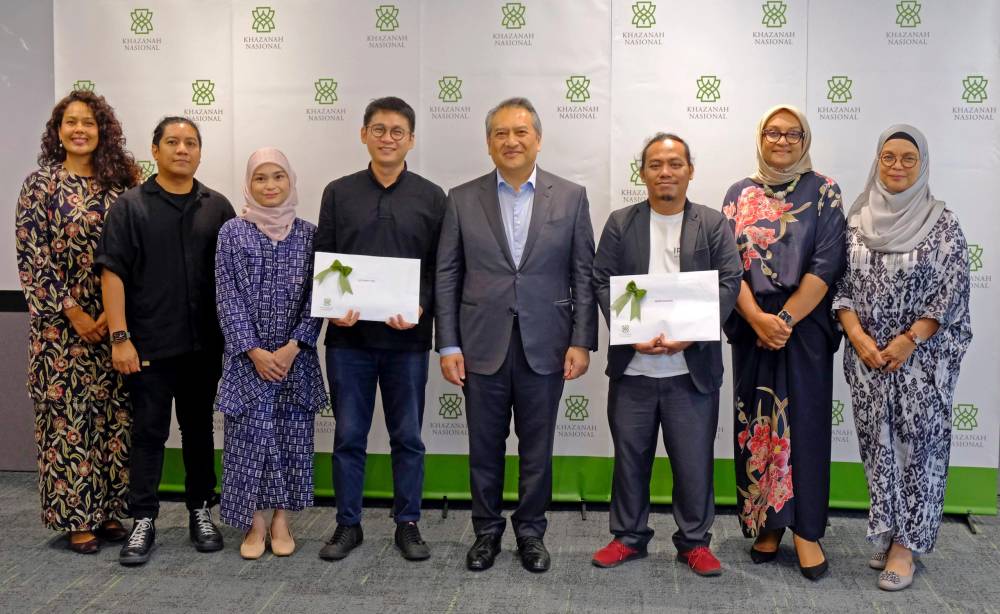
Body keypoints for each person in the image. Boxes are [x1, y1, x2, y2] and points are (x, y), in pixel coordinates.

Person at [436, 97, 597, 573]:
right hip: (480, 344)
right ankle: (486, 532)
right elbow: (447, 275)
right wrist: (448, 343)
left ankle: (531, 531)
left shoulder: (570, 196)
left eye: (520, 132)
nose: (511, 141)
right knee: (484, 448)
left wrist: (582, 339)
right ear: (488, 144)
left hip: (546, 344)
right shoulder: (461, 198)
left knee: (537, 448)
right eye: (501, 133)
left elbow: (582, 273)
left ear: (538, 139)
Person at [591, 133, 741, 576]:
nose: (665, 172)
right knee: (630, 459)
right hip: (633, 369)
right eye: (655, 164)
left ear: (690, 170)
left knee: (694, 463)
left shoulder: (712, 224)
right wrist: (631, 333)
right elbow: (603, 280)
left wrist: (691, 336)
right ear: (643, 173)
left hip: (690, 370)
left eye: (675, 164)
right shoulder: (621, 223)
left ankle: (694, 542)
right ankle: (628, 537)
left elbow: (729, 282)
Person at [833, 125, 972, 591]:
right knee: (879, 451)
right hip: (869, 361)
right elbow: (840, 287)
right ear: (877, 161)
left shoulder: (943, 223)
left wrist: (907, 340)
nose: (896, 166)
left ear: (923, 164)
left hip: (921, 363)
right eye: (888, 157)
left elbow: (951, 294)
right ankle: (890, 529)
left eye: (907, 158)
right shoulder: (854, 220)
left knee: (920, 450)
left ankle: (907, 546)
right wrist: (858, 338)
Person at [97, 117, 236, 566]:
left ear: (200, 152)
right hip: (149, 346)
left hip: (204, 348)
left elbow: (235, 276)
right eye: (172, 142)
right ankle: (143, 519)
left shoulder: (218, 207)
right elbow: (112, 272)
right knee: (149, 433)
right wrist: (120, 338)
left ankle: (200, 510)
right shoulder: (130, 206)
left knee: (198, 432)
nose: (182, 149)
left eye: (191, 143)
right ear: (154, 151)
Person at [315, 97, 446, 562]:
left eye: (396, 131)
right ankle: (347, 524)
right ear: (363, 134)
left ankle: (407, 523)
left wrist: (420, 305)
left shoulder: (433, 197)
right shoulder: (338, 192)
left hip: (407, 340)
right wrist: (332, 307)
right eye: (378, 129)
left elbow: (437, 269)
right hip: (348, 340)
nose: (387, 138)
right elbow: (326, 257)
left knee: (407, 436)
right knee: (349, 435)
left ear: (411, 139)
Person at [722, 104, 846, 580]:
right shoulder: (739, 193)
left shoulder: (824, 191)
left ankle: (806, 530)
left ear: (805, 138)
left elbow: (828, 263)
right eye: (772, 132)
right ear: (760, 137)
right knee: (755, 422)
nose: (782, 140)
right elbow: (730, 265)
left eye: (792, 133)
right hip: (753, 327)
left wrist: (787, 318)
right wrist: (758, 319)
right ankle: (767, 524)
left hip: (805, 326)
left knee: (806, 426)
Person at [15, 90, 139, 554]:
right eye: (71, 122)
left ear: (103, 130)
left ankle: (108, 512)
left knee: (114, 418)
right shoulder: (40, 184)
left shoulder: (122, 184)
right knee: (68, 421)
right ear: (58, 131)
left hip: (116, 322)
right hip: (59, 331)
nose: (80, 129)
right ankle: (76, 519)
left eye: (89, 122)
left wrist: (110, 315)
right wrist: (75, 312)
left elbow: (134, 252)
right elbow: (33, 256)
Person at [215, 148, 328, 559]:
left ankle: (282, 519)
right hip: (249, 362)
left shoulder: (311, 234)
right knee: (248, 443)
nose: (269, 186)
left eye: (278, 176)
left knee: (291, 439)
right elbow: (227, 296)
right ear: (249, 184)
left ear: (291, 180)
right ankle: (254, 523)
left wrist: (294, 345)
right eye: (260, 178)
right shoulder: (232, 233)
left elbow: (320, 298)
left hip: (295, 360)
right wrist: (254, 351)